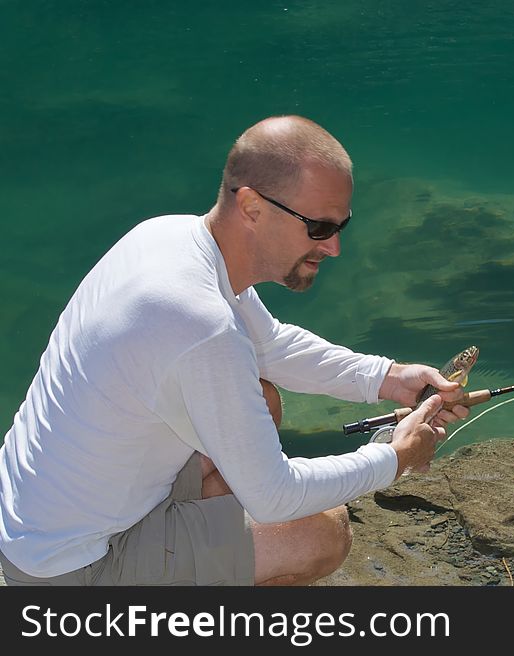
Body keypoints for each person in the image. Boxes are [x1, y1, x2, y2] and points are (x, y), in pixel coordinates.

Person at [0, 115, 469, 586]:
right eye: (320, 227)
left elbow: (270, 344)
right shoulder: (200, 325)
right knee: (321, 532)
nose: (334, 248)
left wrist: (389, 378)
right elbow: (275, 498)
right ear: (251, 207)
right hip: (70, 566)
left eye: (341, 225)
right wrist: (398, 457)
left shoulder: (170, 237)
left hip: (34, 516)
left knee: (261, 399)